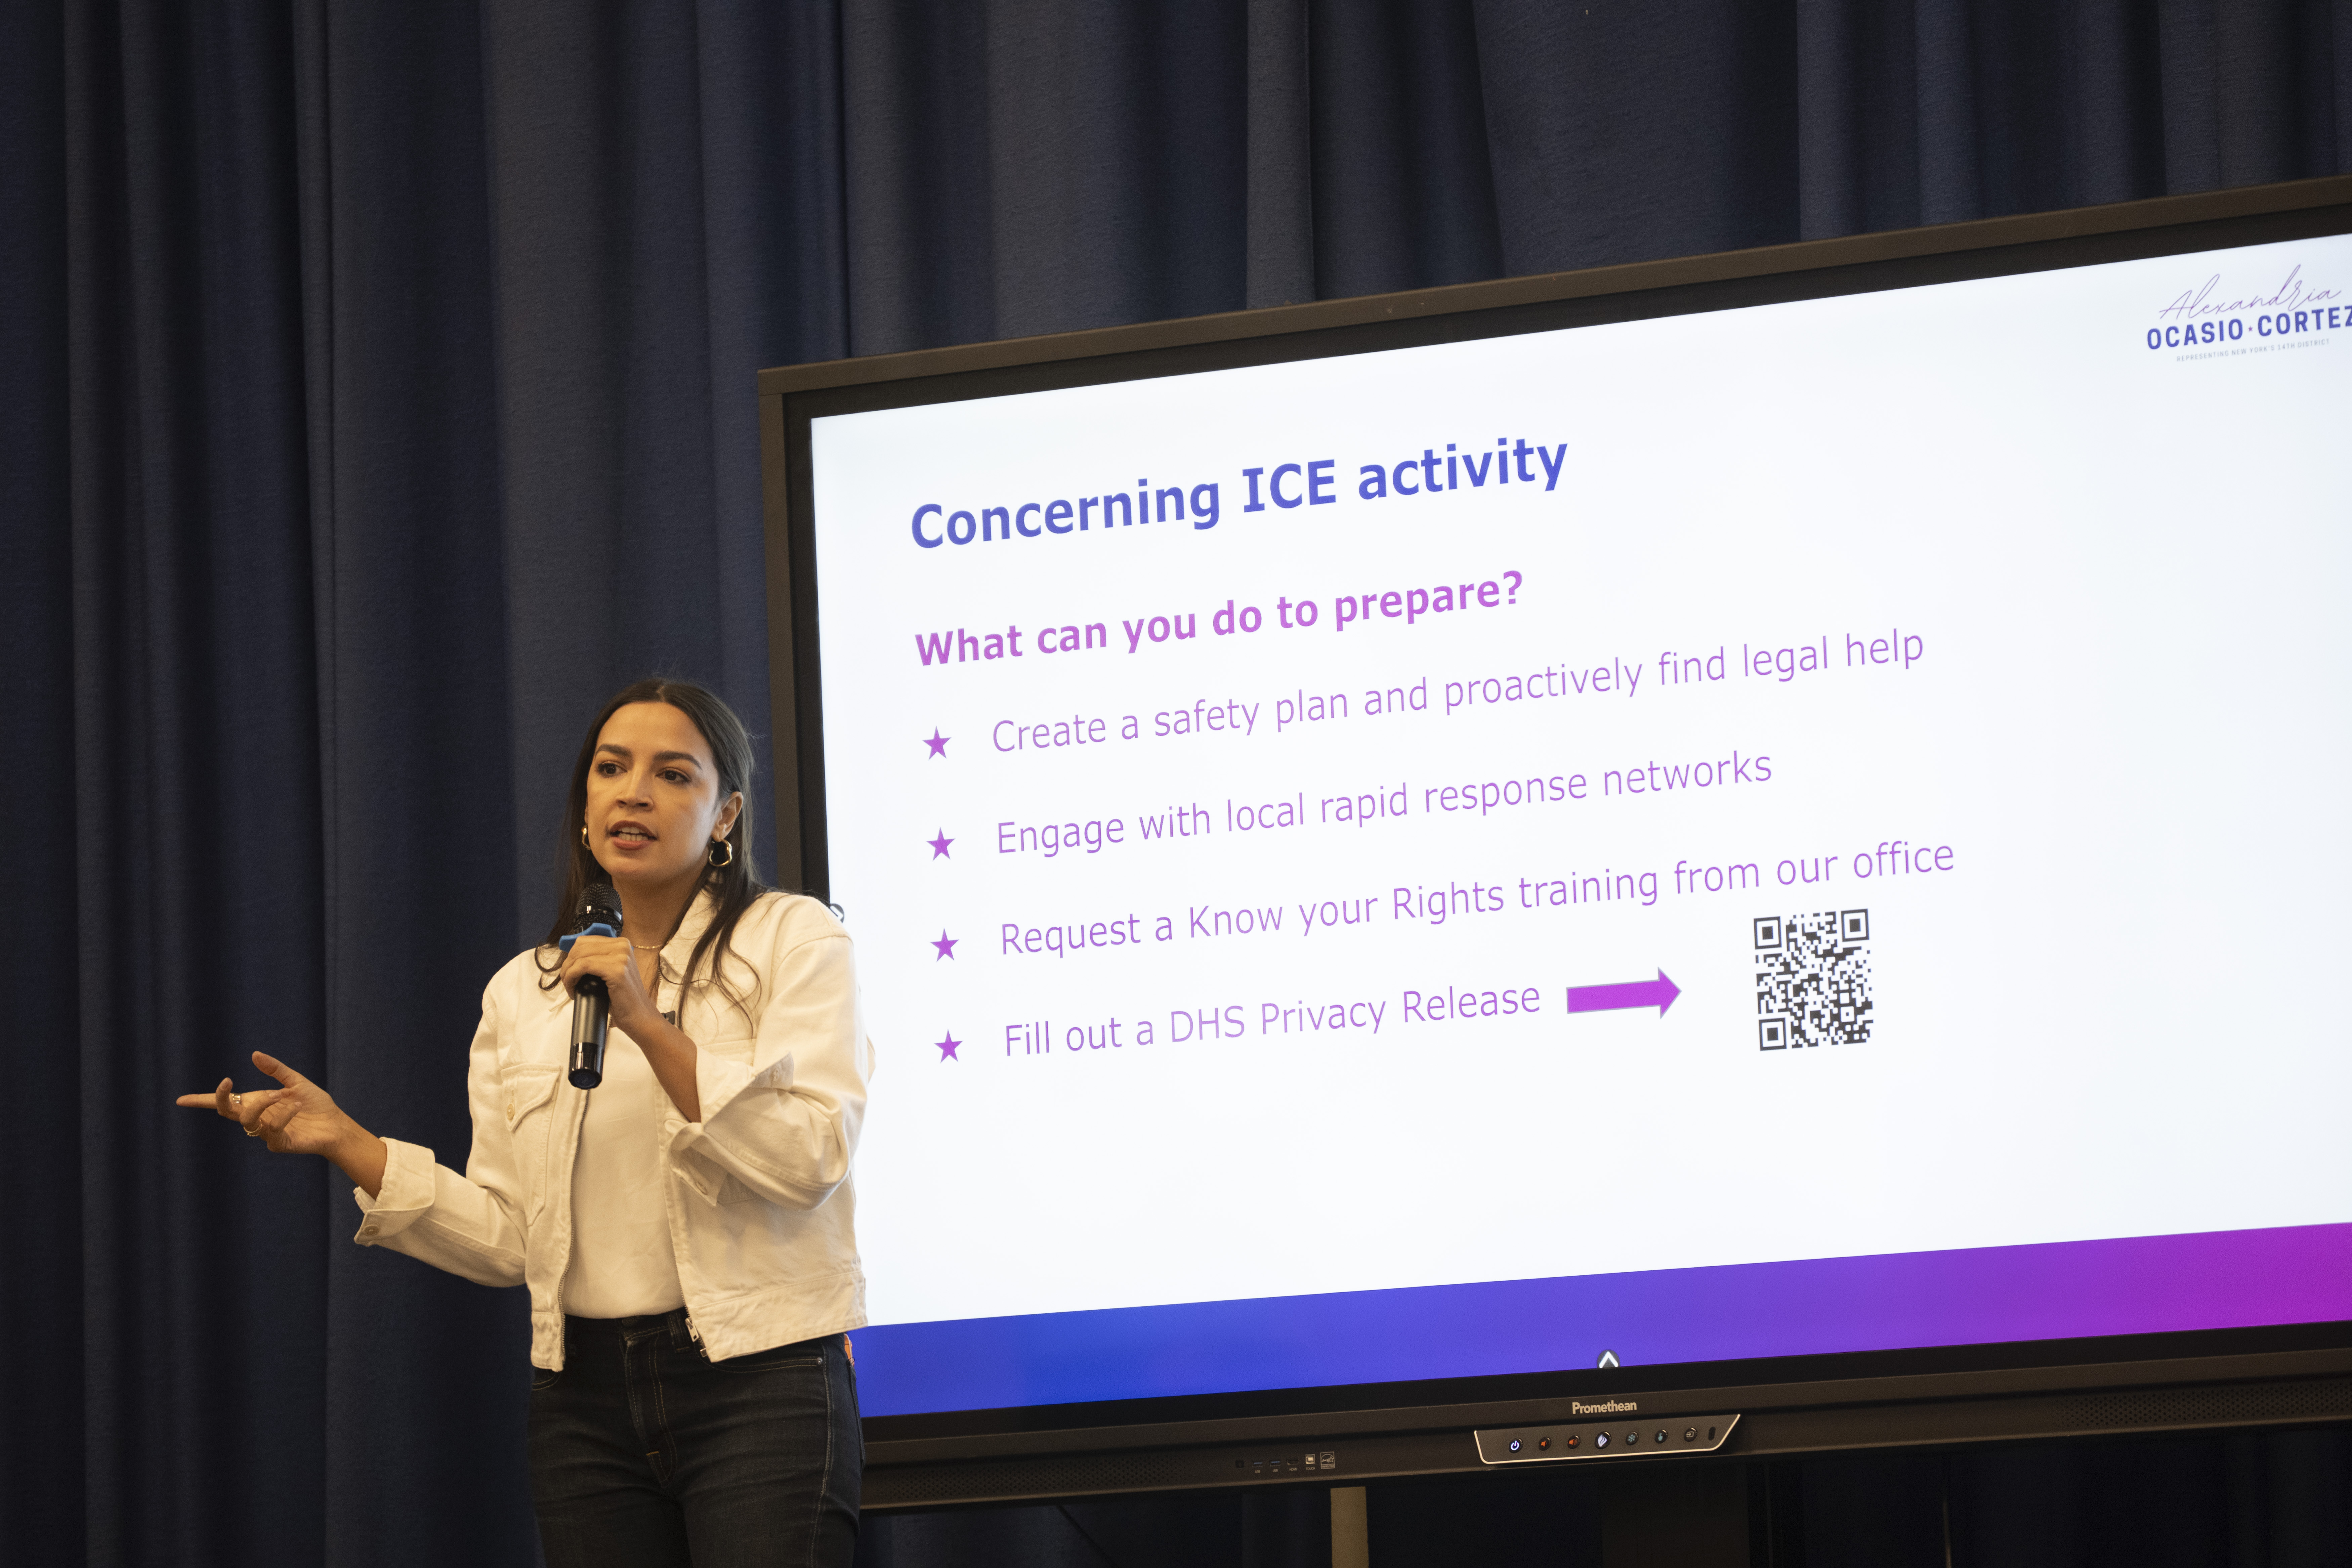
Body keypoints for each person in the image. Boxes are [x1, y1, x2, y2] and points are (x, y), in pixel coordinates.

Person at [179, 678, 871, 1567]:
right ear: (585, 807)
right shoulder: (525, 990)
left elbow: (813, 1156)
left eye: (673, 775)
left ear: (726, 814)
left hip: (762, 1382)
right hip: (583, 1402)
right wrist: (347, 1141)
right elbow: (513, 1239)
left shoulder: (793, 941)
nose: (633, 793)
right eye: (611, 769)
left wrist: (646, 1022)